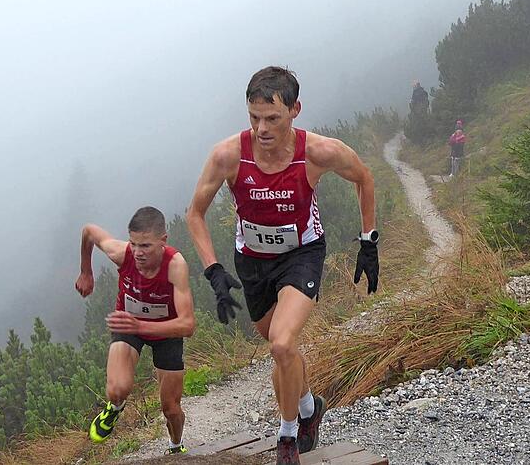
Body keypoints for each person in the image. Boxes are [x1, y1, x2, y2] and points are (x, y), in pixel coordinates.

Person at [186, 66, 379, 465]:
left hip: (301, 254)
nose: (262, 129)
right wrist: (213, 270)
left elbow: (364, 178)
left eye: (272, 118)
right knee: (280, 350)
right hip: (253, 262)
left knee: (282, 342)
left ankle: (289, 434)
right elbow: (195, 214)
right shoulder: (228, 155)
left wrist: (368, 242)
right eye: (254, 117)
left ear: (295, 110)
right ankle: (309, 406)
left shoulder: (318, 152)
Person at [75, 206, 196, 454]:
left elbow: (187, 325)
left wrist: (141, 324)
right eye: (134, 244)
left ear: (163, 241)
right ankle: (115, 407)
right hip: (128, 327)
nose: (138, 253)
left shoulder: (175, 265)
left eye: (145, 246)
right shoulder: (122, 253)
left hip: (166, 331)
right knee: (117, 389)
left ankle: (175, 446)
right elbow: (88, 231)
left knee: (171, 408)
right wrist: (86, 271)